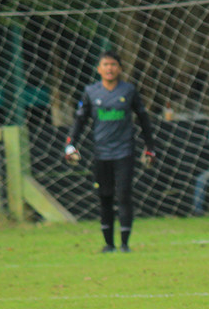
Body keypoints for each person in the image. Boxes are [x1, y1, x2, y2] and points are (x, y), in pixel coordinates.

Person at [66, 51, 156, 253]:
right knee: (104, 196)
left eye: (114, 64)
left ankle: (124, 244)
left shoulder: (129, 90)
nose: (109, 68)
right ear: (99, 69)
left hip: (124, 152)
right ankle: (109, 244)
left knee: (124, 195)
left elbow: (143, 118)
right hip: (101, 153)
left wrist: (150, 147)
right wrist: (71, 144)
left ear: (120, 68)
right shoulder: (91, 92)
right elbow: (79, 121)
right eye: (105, 64)